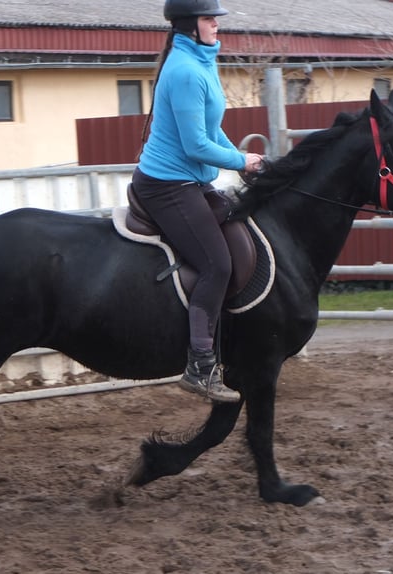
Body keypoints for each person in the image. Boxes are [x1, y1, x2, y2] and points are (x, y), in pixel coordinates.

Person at [132, 0, 264, 402]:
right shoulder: (187, 71)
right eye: (210, 19)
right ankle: (200, 367)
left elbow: (212, 129)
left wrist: (241, 164)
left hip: (189, 181)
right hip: (167, 185)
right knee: (216, 263)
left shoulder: (201, 62)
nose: (216, 26)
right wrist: (240, 159)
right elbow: (195, 145)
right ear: (190, 26)